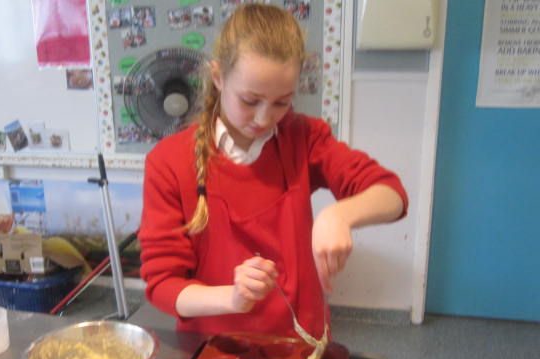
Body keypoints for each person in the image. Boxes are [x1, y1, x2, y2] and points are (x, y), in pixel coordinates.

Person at [138, 4, 408, 339]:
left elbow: (392, 194)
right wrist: (232, 297)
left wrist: (339, 215)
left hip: (299, 338)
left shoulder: (302, 138)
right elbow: (164, 285)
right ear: (218, 78)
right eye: (250, 101)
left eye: (282, 102)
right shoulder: (169, 162)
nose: (264, 118)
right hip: (214, 344)